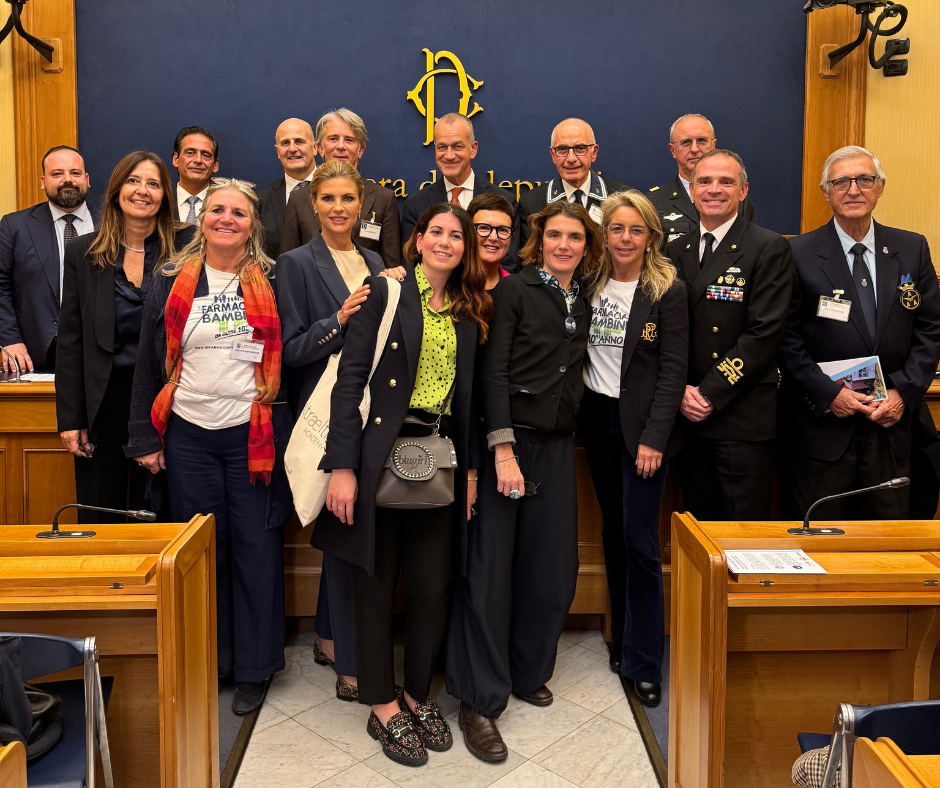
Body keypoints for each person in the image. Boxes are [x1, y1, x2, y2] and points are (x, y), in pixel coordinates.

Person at [316, 203, 489, 766]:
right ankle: (382, 703)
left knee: (432, 585)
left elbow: (469, 404)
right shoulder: (385, 294)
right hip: (375, 455)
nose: (445, 241)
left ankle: (417, 693)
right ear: (417, 241)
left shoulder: (467, 311)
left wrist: (468, 474)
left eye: (455, 235)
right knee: (375, 582)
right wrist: (341, 467)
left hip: (438, 457)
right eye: (435, 232)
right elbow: (348, 382)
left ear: (465, 248)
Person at [126, 179, 292, 716]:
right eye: (216, 210)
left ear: (253, 224)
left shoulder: (272, 277)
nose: (225, 218)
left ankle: (254, 668)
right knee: (204, 551)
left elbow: (290, 352)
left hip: (252, 434)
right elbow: (150, 366)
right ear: (202, 220)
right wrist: (147, 438)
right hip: (188, 433)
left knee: (255, 547)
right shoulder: (170, 279)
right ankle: (212, 660)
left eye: (238, 213)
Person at [447, 200, 602, 763]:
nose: (565, 246)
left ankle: (524, 670)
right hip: (508, 448)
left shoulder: (583, 297)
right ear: (539, 240)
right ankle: (477, 700)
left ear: (588, 247)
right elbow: (495, 372)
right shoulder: (514, 290)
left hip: (559, 449)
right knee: (490, 573)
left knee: (551, 569)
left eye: (576, 238)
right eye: (555, 236)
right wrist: (502, 449)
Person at [276, 160, 401, 703]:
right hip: (321, 414)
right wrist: (340, 322)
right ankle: (350, 661)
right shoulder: (295, 263)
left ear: (360, 205)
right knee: (343, 532)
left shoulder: (375, 260)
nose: (338, 208)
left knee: (343, 530)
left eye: (347, 199)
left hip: (369, 413)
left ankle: (329, 636)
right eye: (327, 199)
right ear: (312, 205)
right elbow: (292, 349)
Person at [777, 146, 940, 519]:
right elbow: (785, 337)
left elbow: (931, 328)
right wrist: (829, 395)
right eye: (841, 181)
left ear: (880, 187)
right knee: (820, 539)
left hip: (891, 423)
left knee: (889, 542)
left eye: (864, 179)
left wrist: (903, 393)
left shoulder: (911, 248)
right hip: (822, 427)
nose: (853, 189)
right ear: (826, 191)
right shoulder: (796, 252)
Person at [579, 190, 688, 708]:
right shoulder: (589, 281)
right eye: (616, 229)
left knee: (641, 540)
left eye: (635, 230)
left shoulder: (668, 290)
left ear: (651, 236)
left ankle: (646, 659)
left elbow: (673, 373)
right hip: (597, 421)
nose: (625, 239)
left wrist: (654, 438)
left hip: (642, 430)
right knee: (612, 532)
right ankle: (622, 640)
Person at [54, 151, 193, 523]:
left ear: (165, 194)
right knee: (103, 511)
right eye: (133, 181)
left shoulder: (188, 249)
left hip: (169, 401)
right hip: (105, 403)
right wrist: (71, 418)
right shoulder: (83, 252)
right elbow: (70, 341)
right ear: (116, 190)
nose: (142, 191)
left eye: (153, 183)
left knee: (163, 512)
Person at [667, 149, 793, 521]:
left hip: (739, 417)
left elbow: (764, 334)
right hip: (687, 415)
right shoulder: (676, 249)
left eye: (726, 181)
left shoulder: (768, 247)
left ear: (743, 190)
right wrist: (680, 392)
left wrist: (708, 392)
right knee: (698, 533)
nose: (714, 189)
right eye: (704, 181)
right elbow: (669, 330)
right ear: (691, 191)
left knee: (741, 534)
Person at [0, 145, 98, 373]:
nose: (67, 180)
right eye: (57, 174)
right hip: (34, 356)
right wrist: (10, 339)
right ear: (43, 182)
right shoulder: (14, 227)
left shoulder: (112, 224)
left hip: (103, 354)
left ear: (86, 179)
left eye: (75, 173)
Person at [279, 109, 400, 266]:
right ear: (320, 148)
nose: (341, 146)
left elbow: (392, 267)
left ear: (360, 150)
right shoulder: (298, 199)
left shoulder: (383, 199)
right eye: (333, 139)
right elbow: (287, 265)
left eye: (349, 140)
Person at [401, 114, 518, 268]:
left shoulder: (505, 200)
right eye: (442, 147)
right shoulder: (416, 204)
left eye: (457, 146)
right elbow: (411, 260)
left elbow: (509, 264)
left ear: (473, 149)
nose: (449, 155)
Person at [516, 117, 631, 247]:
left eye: (580, 148)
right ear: (553, 155)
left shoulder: (623, 198)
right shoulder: (531, 204)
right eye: (562, 149)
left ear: (594, 152)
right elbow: (531, 260)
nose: (571, 158)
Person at [648, 113, 757, 243]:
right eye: (686, 142)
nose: (694, 149)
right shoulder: (654, 201)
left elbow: (752, 245)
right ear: (673, 150)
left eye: (702, 141)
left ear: (713, 146)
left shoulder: (734, 194)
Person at [257, 118, 317, 259]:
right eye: (285, 143)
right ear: (278, 152)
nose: (292, 149)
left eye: (299, 141)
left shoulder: (336, 191)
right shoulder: (261, 200)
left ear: (315, 148)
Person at [171, 126, 220, 223]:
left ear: (215, 165)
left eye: (205, 155)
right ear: (176, 159)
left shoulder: (227, 205)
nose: (198, 160)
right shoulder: (160, 203)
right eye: (190, 153)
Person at [468, 193, 514, 290]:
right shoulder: (446, 284)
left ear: (511, 238)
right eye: (484, 228)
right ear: (468, 232)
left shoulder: (516, 290)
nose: (493, 238)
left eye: (502, 230)